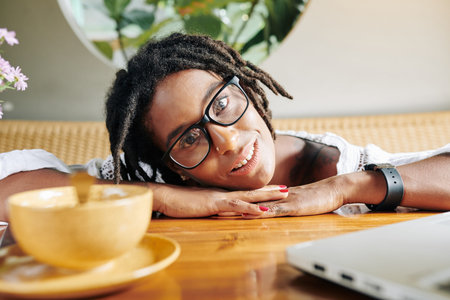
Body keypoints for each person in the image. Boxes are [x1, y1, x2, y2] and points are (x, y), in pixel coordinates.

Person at [1, 33, 449, 222]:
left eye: (222, 103)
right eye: (189, 138)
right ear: (172, 165)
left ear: (249, 91)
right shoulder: (151, 178)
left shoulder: (337, 164)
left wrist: (345, 188)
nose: (229, 141)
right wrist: (164, 197)